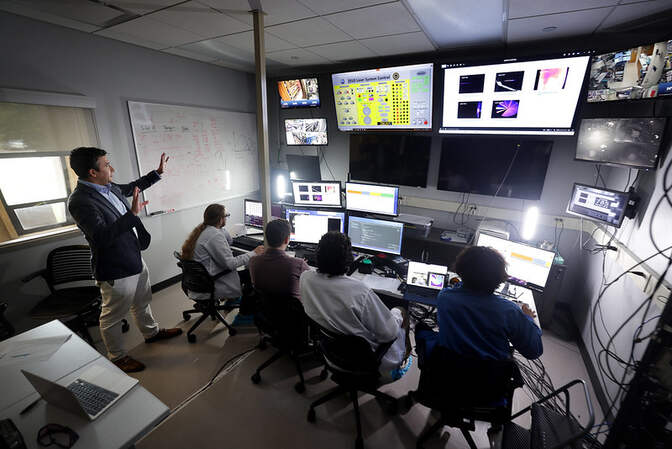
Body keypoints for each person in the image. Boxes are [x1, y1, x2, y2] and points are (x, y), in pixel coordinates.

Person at [68, 147, 182, 373]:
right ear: (92, 172)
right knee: (112, 316)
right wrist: (132, 215)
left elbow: (132, 187)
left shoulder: (107, 187)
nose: (112, 168)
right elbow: (101, 236)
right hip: (115, 266)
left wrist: (157, 173)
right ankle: (117, 357)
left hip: (133, 256)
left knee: (142, 300)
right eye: (106, 164)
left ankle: (151, 333)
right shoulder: (80, 201)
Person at [300, 231, 412, 383]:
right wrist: (397, 312)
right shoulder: (360, 291)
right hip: (364, 359)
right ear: (348, 260)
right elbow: (389, 333)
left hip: (331, 353)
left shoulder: (305, 278)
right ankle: (401, 361)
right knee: (402, 310)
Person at [415, 245, 543, 365]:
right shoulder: (509, 310)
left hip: (449, 370)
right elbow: (533, 351)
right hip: (489, 380)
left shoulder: (445, 297)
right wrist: (528, 318)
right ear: (500, 278)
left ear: (460, 270)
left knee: (422, 329)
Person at [181, 204, 264, 302]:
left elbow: (229, 242)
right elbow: (231, 264)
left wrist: (221, 228)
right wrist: (254, 252)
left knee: (246, 270)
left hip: (200, 281)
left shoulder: (204, 230)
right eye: (226, 216)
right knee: (252, 273)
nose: (227, 218)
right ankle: (243, 307)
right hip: (213, 281)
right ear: (220, 219)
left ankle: (233, 302)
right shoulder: (214, 235)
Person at [249, 219, 309, 299]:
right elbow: (313, 284)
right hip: (292, 310)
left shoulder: (253, 261)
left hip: (264, 308)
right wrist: (300, 264)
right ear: (287, 239)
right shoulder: (298, 264)